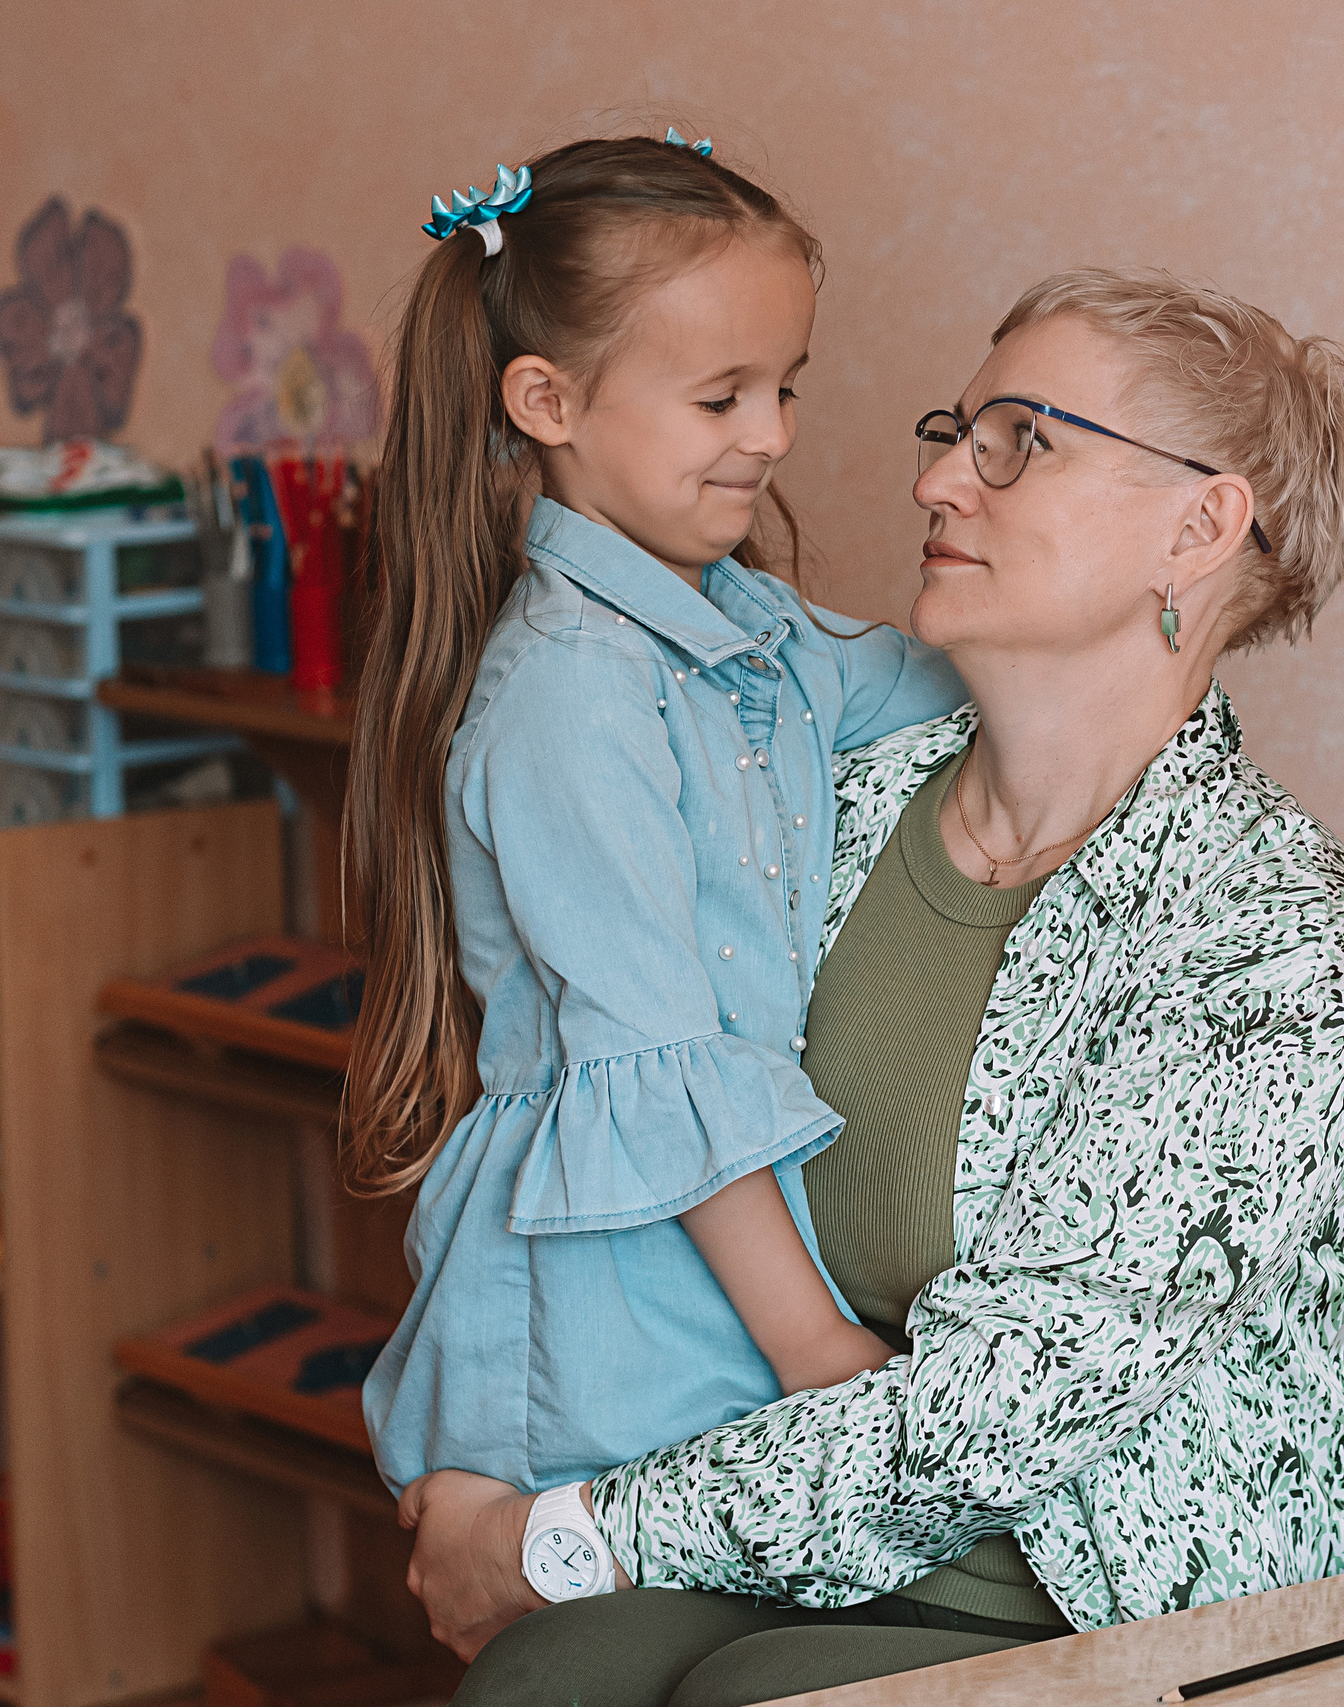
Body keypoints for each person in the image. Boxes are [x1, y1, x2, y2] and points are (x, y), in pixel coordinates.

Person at [400, 268, 1344, 1707]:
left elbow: (993, 1415)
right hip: (821, 1531)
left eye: (1022, 439)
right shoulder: (818, 808)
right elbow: (614, 1075)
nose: (939, 480)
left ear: (1200, 526)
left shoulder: (1275, 932)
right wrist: (500, 1473)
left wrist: (563, 1543)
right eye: (957, 428)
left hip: (1157, 1603)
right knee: (538, 1691)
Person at [348, 132, 968, 1501]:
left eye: (786, 386)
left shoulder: (745, 629)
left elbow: (938, 686)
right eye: (722, 397)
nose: (775, 435)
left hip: (717, 1246)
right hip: (604, 1289)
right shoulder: (570, 698)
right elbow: (653, 1055)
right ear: (549, 401)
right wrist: (811, 1341)